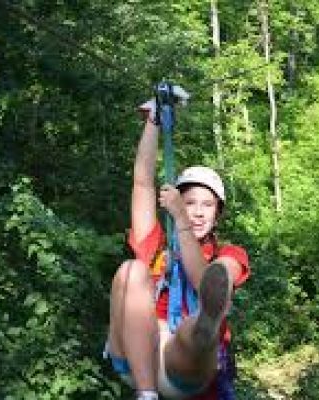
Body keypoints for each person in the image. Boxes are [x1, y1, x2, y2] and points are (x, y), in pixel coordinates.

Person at [105, 89, 250, 400]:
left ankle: (205, 325)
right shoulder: (156, 245)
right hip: (139, 351)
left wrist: (181, 219)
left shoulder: (229, 253)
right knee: (131, 269)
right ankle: (146, 395)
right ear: (174, 205)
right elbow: (142, 181)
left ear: (218, 213)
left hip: (184, 363)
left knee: (198, 319)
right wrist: (155, 120)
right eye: (189, 203)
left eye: (207, 205)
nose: (197, 212)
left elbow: (206, 281)